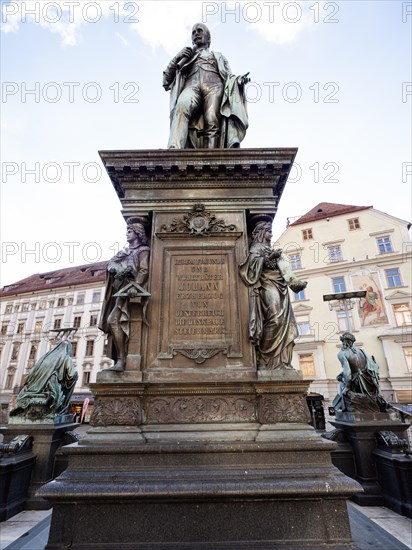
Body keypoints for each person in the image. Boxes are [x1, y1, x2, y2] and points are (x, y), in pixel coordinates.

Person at [163, 22, 250, 149]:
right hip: (191, 86)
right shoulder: (186, 56)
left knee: (211, 119)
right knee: (181, 106)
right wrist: (177, 58)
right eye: (193, 32)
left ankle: (211, 156)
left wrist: (239, 81)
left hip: (214, 86)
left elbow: (229, 76)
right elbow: (166, 80)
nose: (196, 33)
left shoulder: (219, 56)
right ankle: (174, 148)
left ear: (208, 39)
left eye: (199, 30)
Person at [239, 221, 307, 370]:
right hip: (266, 285)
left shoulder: (268, 248)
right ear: (262, 232)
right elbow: (251, 266)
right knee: (274, 319)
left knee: (283, 321)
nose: (271, 234)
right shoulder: (256, 247)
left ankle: (280, 362)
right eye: (269, 231)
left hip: (279, 285)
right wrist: (269, 258)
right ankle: (264, 359)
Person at [99, 219, 150, 372]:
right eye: (127, 231)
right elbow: (110, 264)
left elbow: (144, 270)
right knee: (114, 321)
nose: (127, 234)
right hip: (120, 292)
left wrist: (136, 286)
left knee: (114, 320)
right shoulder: (124, 252)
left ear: (138, 233)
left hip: (131, 292)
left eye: (130, 231)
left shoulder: (143, 250)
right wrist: (117, 268)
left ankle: (124, 361)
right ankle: (121, 360)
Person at [10, 330, 78, 420]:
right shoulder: (65, 357)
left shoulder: (44, 357)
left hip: (31, 389)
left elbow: (30, 374)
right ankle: (53, 410)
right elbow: (72, 375)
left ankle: (24, 409)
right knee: (58, 386)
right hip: (51, 390)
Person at [332, 332, 389, 413]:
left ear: (343, 342)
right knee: (343, 378)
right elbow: (369, 366)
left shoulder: (342, 354)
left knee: (342, 385)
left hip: (358, 383)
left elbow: (347, 372)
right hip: (369, 381)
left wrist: (347, 388)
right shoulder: (361, 351)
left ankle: (347, 407)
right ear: (352, 342)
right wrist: (341, 374)